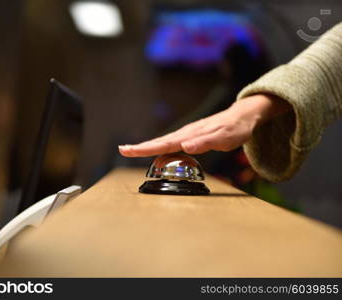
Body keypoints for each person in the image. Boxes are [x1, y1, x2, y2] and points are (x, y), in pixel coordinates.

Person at [119, 22, 342, 183]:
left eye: (224, 63)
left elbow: (207, 114)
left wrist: (247, 111)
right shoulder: (229, 88)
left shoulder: (232, 89)